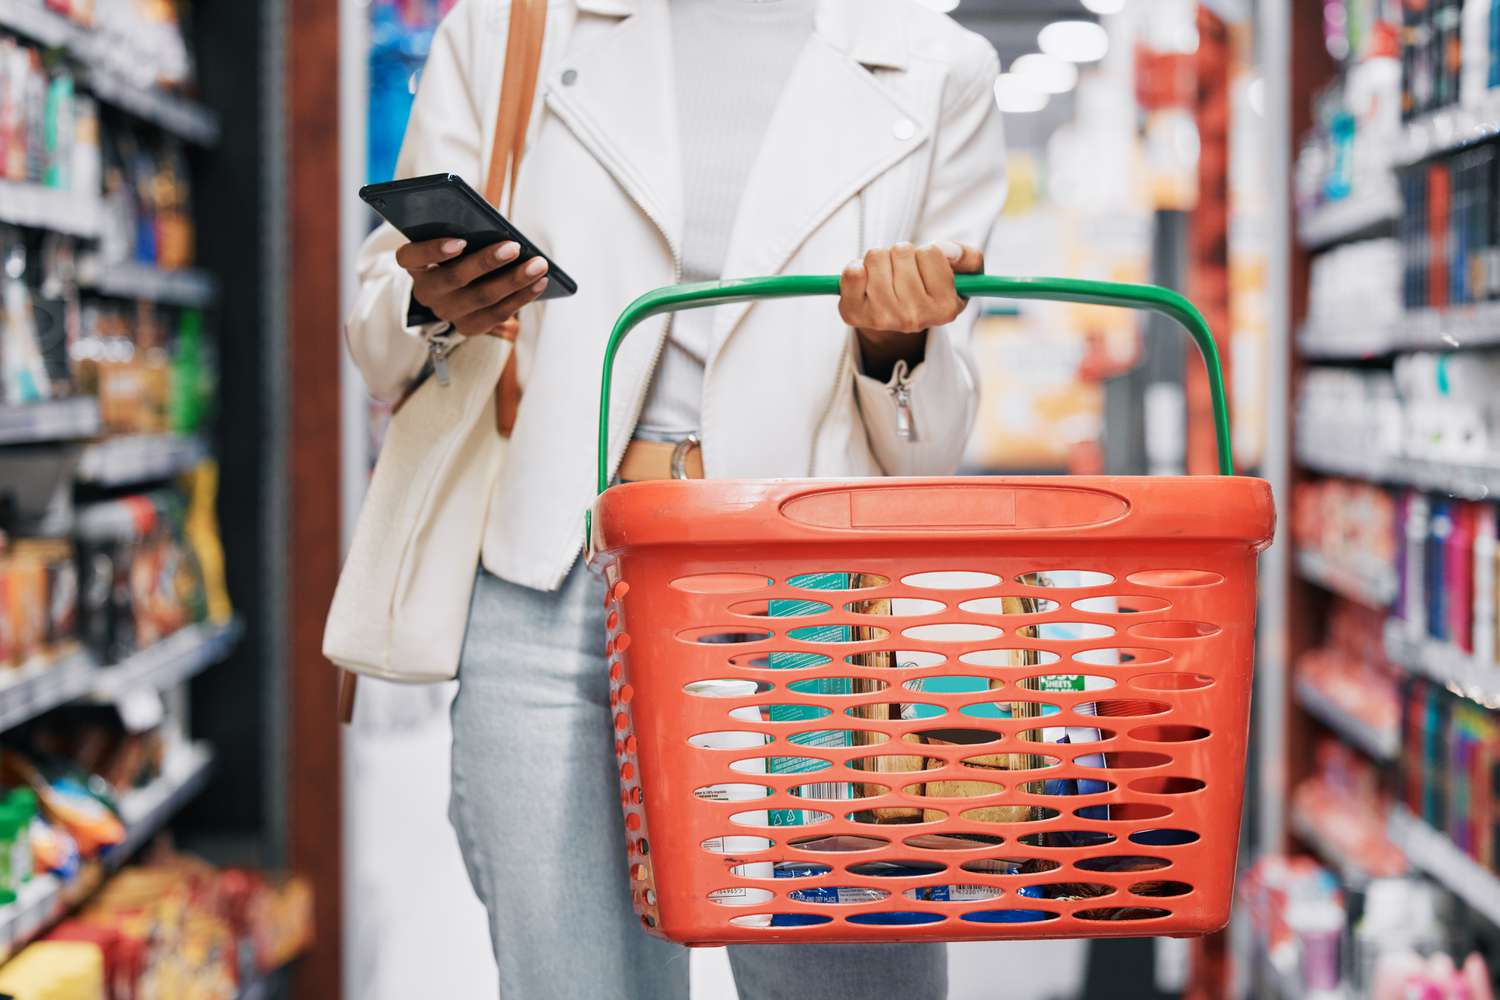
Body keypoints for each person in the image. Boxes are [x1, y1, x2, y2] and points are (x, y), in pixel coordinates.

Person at [345, 0, 1007, 996]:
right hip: (557, 581)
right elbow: (377, 329)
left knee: (846, 978)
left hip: (816, 607)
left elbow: (932, 441)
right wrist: (428, 299)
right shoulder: (509, 27)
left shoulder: (935, 61)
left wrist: (897, 345)